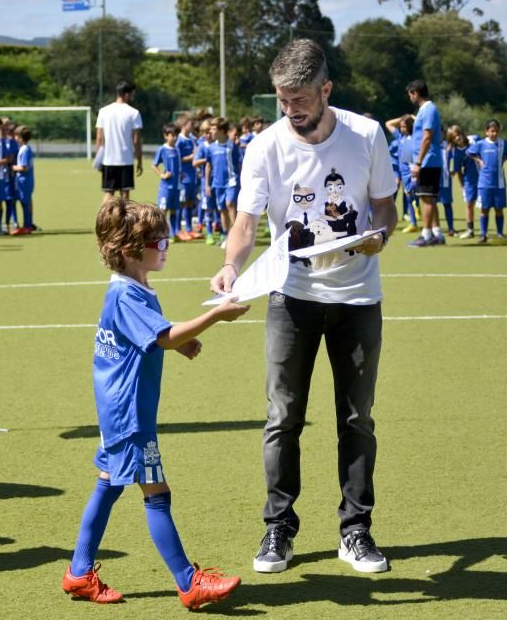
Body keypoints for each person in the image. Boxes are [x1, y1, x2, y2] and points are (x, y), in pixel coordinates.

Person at [211, 39, 397, 576]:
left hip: (358, 297)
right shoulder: (264, 146)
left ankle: (356, 531)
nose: (292, 111)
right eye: (283, 100)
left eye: (301, 100)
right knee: (282, 418)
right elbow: (246, 223)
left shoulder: (366, 134)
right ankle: (279, 528)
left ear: (326, 90)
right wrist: (230, 266)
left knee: (357, 419)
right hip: (290, 298)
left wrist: (378, 236)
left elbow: (384, 203)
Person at [62, 198, 246, 610]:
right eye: (159, 242)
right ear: (130, 251)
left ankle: (78, 573)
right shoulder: (127, 294)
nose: (166, 247)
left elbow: (150, 338)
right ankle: (189, 582)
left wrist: (177, 346)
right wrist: (216, 316)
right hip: (130, 414)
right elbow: (160, 336)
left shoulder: (135, 287)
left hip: (119, 409)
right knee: (156, 493)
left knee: (108, 486)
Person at [406, 80, 445, 246]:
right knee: (429, 198)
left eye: (410, 94)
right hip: (428, 161)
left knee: (426, 198)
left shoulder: (428, 109)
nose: (410, 98)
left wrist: (418, 162)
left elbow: (427, 136)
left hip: (427, 161)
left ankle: (426, 235)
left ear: (415, 92)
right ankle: (437, 233)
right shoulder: (426, 110)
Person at [466, 119, 507, 245]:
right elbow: (468, 152)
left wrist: (504, 159)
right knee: (484, 209)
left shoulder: (502, 144)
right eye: (491, 131)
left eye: (496, 131)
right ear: (486, 132)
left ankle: (500, 233)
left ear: (499, 131)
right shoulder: (481, 144)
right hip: (484, 183)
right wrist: (478, 160)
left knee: (499, 209)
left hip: (499, 183)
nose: (494, 134)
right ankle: (483, 235)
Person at [96, 82, 143, 203]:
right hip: (126, 159)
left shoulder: (103, 111)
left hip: (108, 159)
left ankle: (102, 220)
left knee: (109, 193)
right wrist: (139, 161)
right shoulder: (134, 113)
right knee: (125, 194)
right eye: (132, 94)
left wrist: (98, 159)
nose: (133, 96)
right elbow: (136, 140)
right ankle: (124, 221)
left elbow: (99, 138)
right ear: (126, 94)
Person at [204, 117, 242, 249]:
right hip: (217, 183)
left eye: (213, 128)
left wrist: (243, 181)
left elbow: (240, 163)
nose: (211, 131)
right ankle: (226, 235)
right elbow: (208, 166)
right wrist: (207, 185)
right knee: (222, 210)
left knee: (230, 204)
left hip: (232, 181)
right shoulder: (211, 147)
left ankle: (239, 235)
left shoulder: (232, 146)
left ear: (222, 131)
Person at [448, 126, 479, 239]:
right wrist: (462, 187)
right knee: (469, 204)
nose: (458, 137)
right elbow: (458, 171)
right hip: (470, 179)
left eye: (458, 134)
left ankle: (485, 231)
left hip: (485, 176)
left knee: (487, 204)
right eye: (454, 137)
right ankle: (470, 230)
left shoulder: (475, 139)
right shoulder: (456, 153)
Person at [152, 123, 182, 240]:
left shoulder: (177, 149)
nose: (175, 138)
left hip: (176, 186)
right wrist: (162, 175)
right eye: (172, 135)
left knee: (174, 210)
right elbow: (154, 165)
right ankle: (161, 234)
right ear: (166, 136)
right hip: (166, 187)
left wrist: (181, 173)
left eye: (176, 135)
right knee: (163, 210)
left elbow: (178, 165)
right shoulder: (162, 149)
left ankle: (173, 233)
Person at [11, 125, 36, 235]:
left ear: (20, 137)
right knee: (25, 202)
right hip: (24, 180)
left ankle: (27, 226)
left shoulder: (25, 150)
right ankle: (27, 224)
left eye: (16, 136)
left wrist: (12, 167)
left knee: (25, 203)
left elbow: (24, 167)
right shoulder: (24, 148)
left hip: (24, 181)